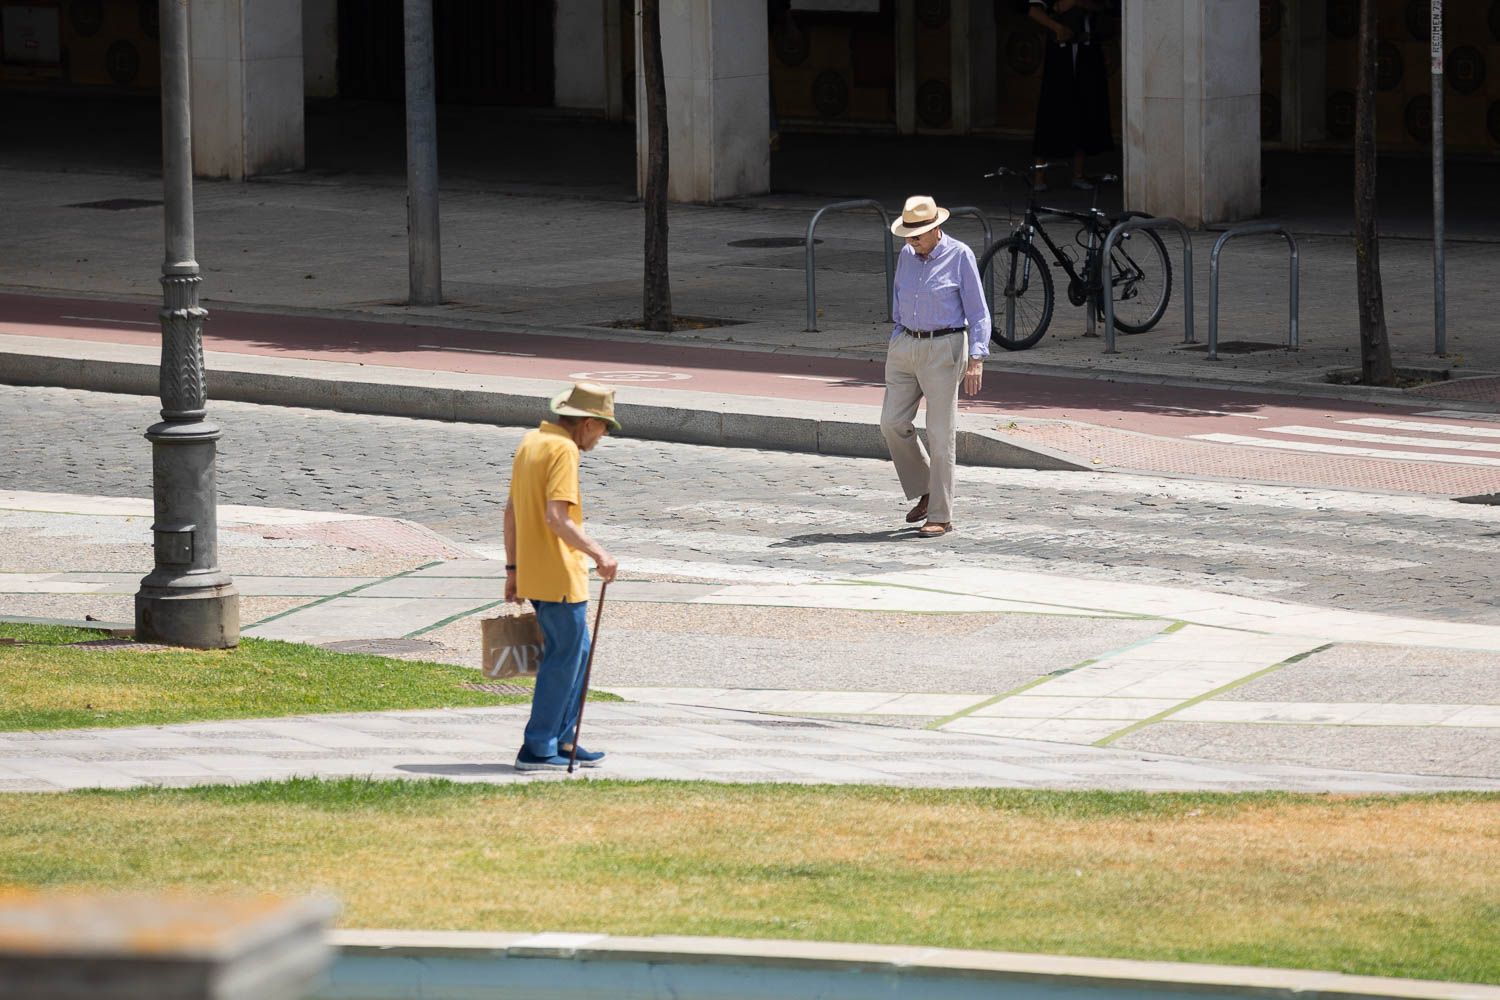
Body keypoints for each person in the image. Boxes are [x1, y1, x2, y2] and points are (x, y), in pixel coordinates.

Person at [503, 382, 620, 772]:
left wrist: (513, 569)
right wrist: (600, 554)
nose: (603, 436)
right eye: (604, 427)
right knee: (564, 659)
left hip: (536, 572)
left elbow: (511, 511)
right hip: (559, 575)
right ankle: (538, 747)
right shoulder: (565, 450)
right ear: (587, 424)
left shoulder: (532, 441)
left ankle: (564, 738)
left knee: (577, 652)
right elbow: (556, 518)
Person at [881, 195, 991, 539]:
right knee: (891, 423)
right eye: (907, 235)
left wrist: (977, 358)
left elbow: (978, 312)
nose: (911, 241)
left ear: (936, 229)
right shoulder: (906, 255)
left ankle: (941, 515)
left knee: (941, 434)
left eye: (917, 235)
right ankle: (926, 487)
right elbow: (899, 298)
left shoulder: (960, 255)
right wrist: (897, 337)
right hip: (905, 343)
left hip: (944, 347)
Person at [1028, 0, 1112, 192]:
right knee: (1050, 110)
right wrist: (1056, 26)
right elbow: (1034, 10)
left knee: (1084, 109)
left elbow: (1102, 6)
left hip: (1087, 52)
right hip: (1060, 52)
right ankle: (1039, 176)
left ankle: (1078, 174)